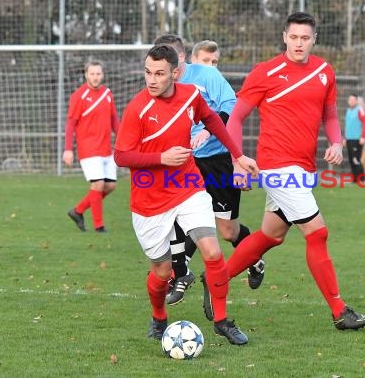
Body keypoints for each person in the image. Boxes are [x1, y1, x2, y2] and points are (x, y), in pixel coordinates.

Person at [207, 12, 365, 331]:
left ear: (315, 40)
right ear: (285, 37)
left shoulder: (325, 72)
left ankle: (216, 279)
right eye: (294, 37)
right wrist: (237, 161)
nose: (299, 43)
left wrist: (337, 143)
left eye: (305, 38)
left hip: (303, 168)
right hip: (275, 165)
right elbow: (235, 119)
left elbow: (329, 115)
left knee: (272, 235)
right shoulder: (265, 72)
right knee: (318, 232)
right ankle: (340, 311)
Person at [114, 44, 257, 345]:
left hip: (188, 186)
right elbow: (122, 156)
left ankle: (221, 320)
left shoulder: (191, 95)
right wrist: (161, 158)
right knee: (163, 271)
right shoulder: (137, 109)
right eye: (148, 72)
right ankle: (158, 316)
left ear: (175, 74)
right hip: (149, 199)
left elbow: (213, 119)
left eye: (159, 73)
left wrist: (238, 156)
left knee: (214, 252)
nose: (152, 79)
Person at [152, 34, 265, 306]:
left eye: (169, 67)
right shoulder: (161, 85)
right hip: (186, 163)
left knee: (227, 230)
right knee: (178, 217)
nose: (165, 73)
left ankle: (256, 259)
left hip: (217, 160)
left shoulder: (207, 76)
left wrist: (207, 129)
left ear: (180, 59)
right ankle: (181, 274)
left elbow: (232, 106)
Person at [63, 60, 119, 233]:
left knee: (110, 186)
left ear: (102, 75)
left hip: (105, 149)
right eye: (92, 73)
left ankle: (78, 211)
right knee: (98, 185)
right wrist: (68, 149)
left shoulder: (107, 94)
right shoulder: (78, 96)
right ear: (86, 74)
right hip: (88, 148)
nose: (95, 77)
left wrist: (124, 140)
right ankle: (99, 226)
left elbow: (114, 120)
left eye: (98, 74)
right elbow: (70, 124)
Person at [344, 93, 365, 182]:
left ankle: (362, 179)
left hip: (356, 139)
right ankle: (355, 179)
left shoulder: (360, 110)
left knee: (356, 159)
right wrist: (345, 138)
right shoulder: (348, 111)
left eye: (353, 100)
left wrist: (363, 136)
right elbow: (347, 125)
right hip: (349, 139)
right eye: (349, 100)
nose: (351, 101)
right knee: (351, 160)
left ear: (356, 101)